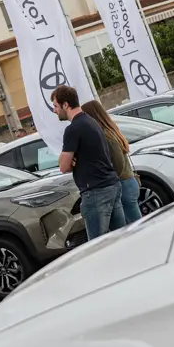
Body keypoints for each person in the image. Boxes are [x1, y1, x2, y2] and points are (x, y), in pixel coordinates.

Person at [51, 85, 125, 240]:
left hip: (95, 191)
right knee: (121, 239)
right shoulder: (91, 121)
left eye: (56, 106)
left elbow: (63, 166)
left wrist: (70, 162)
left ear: (66, 105)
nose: (54, 111)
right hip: (111, 184)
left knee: (97, 246)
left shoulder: (73, 129)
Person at [82, 100, 143, 225]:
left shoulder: (105, 136)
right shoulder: (111, 130)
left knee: (135, 226)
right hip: (129, 181)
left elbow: (118, 164)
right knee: (134, 222)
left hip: (123, 184)